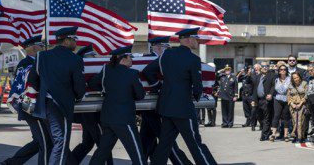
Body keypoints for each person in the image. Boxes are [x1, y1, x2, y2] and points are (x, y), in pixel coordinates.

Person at [151, 28, 217, 165]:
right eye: (196, 38)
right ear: (189, 39)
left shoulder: (166, 54)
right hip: (183, 109)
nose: (197, 41)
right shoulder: (193, 59)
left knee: (164, 145)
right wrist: (196, 96)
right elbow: (198, 86)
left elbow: (148, 71)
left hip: (166, 107)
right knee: (195, 144)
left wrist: (159, 87)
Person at [32, 27, 86, 165]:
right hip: (61, 106)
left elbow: (32, 81)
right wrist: (77, 97)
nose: (76, 43)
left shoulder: (41, 56)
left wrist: (46, 91)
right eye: (74, 39)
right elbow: (79, 86)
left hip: (44, 106)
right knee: (61, 142)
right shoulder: (75, 60)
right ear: (67, 41)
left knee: (56, 141)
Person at [88, 45, 146, 165]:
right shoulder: (132, 74)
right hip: (124, 120)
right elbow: (140, 95)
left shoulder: (106, 70)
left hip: (108, 118)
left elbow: (93, 83)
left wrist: (105, 89)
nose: (132, 59)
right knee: (137, 154)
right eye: (130, 57)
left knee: (102, 153)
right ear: (122, 58)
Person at [141, 36, 192, 165]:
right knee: (166, 141)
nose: (168, 50)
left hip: (152, 106)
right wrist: (159, 86)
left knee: (147, 140)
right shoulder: (153, 59)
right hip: (155, 105)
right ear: (158, 47)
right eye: (166, 47)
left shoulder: (155, 58)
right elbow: (147, 72)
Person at [1, 36, 51, 165]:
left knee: (39, 141)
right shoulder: (27, 63)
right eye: (41, 45)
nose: (43, 48)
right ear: (34, 47)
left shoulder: (39, 61)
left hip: (39, 106)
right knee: (45, 142)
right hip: (32, 107)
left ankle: (12, 163)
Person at [71, 45, 114, 165]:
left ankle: (70, 162)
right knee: (103, 143)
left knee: (88, 143)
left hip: (90, 110)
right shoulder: (84, 69)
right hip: (91, 112)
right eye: (92, 56)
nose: (95, 58)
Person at [251, 62, 276, 141]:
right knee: (259, 116)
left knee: (266, 118)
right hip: (258, 100)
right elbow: (255, 89)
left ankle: (264, 135)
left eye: (266, 66)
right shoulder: (258, 76)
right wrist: (253, 100)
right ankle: (267, 131)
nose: (265, 68)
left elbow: (273, 86)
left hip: (266, 100)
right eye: (263, 66)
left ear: (268, 67)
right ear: (260, 68)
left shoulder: (272, 76)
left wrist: (271, 94)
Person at [270, 62, 291, 142]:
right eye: (281, 69)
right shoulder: (276, 79)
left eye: (284, 69)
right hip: (278, 99)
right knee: (276, 116)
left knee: (286, 117)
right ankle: (273, 134)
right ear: (279, 71)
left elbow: (288, 89)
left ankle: (286, 135)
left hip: (286, 99)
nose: (282, 71)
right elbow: (274, 88)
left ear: (286, 71)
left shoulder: (289, 79)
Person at [287, 72, 308, 143]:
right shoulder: (290, 85)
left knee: (300, 121)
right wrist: (291, 103)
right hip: (293, 105)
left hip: (302, 104)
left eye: (297, 77)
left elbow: (306, 95)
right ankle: (296, 136)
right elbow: (288, 96)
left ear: (299, 77)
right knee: (294, 121)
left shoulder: (304, 83)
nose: (296, 79)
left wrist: (301, 103)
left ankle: (300, 137)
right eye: (294, 78)